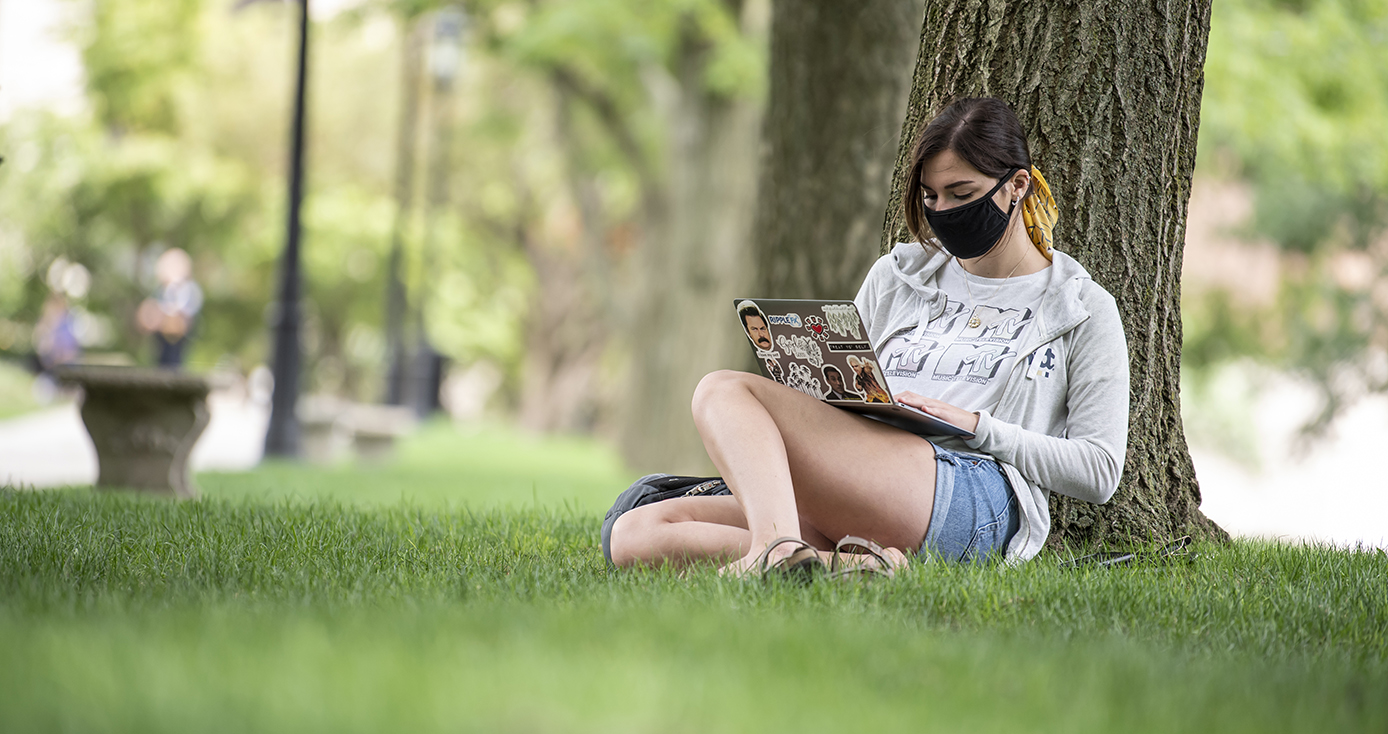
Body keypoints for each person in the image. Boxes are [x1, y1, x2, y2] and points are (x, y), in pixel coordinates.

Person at [609, 97, 1129, 574]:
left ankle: (776, 550)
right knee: (636, 532)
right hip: (866, 476)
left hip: (969, 492)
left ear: (1016, 186)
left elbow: (1101, 471)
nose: (943, 210)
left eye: (962, 193)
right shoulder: (898, 275)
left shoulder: (1080, 308)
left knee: (724, 389)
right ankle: (841, 563)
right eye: (931, 196)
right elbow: (843, 394)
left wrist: (979, 426)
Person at [136, 248, 203, 369]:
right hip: (159, 354)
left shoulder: (189, 291)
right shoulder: (160, 292)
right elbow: (145, 322)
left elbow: (180, 326)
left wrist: (163, 319)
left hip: (177, 358)